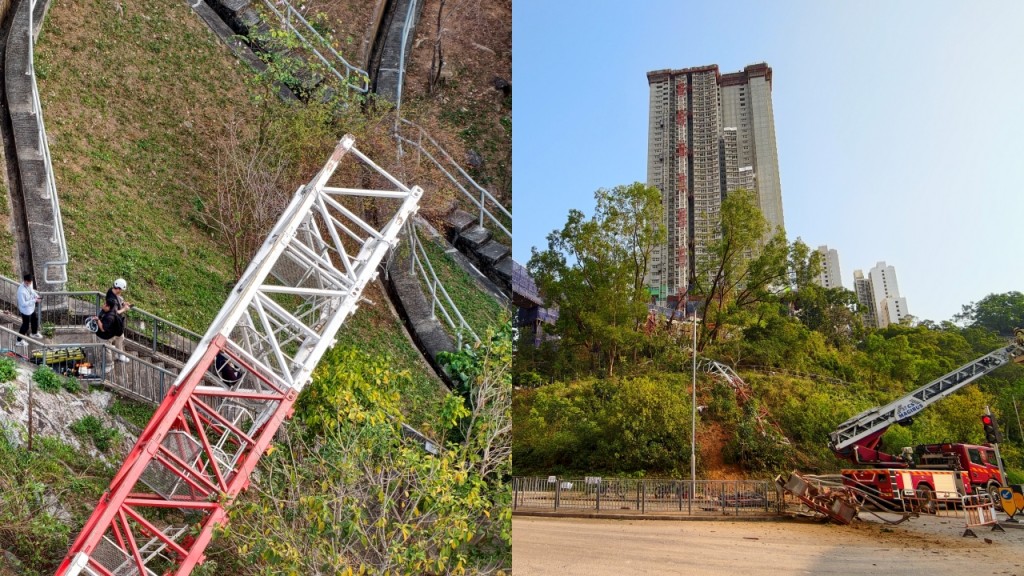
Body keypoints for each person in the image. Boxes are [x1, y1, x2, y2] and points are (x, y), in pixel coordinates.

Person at [89, 301, 123, 373]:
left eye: (105, 304)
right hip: (115, 333)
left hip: (106, 336)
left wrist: (98, 320)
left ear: (108, 307)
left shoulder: (109, 317)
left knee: (106, 351)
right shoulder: (112, 309)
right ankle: (118, 354)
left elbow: (103, 329)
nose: (103, 305)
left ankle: (109, 365)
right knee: (112, 346)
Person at [105, 278, 132, 362]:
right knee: (110, 341)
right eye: (121, 290)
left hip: (115, 322)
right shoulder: (111, 300)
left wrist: (123, 303)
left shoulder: (111, 291)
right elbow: (115, 312)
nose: (121, 292)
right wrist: (125, 309)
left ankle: (119, 354)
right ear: (118, 288)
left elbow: (118, 298)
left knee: (120, 337)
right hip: (113, 323)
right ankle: (110, 362)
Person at [16, 273, 41, 346]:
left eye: (30, 282)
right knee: (25, 326)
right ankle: (18, 341)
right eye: (28, 283)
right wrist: (34, 300)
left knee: (34, 320)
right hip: (25, 311)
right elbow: (23, 304)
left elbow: (32, 291)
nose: (29, 284)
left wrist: (37, 296)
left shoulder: (30, 283)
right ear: (24, 281)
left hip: (31, 308)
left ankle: (34, 333)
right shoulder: (21, 291)